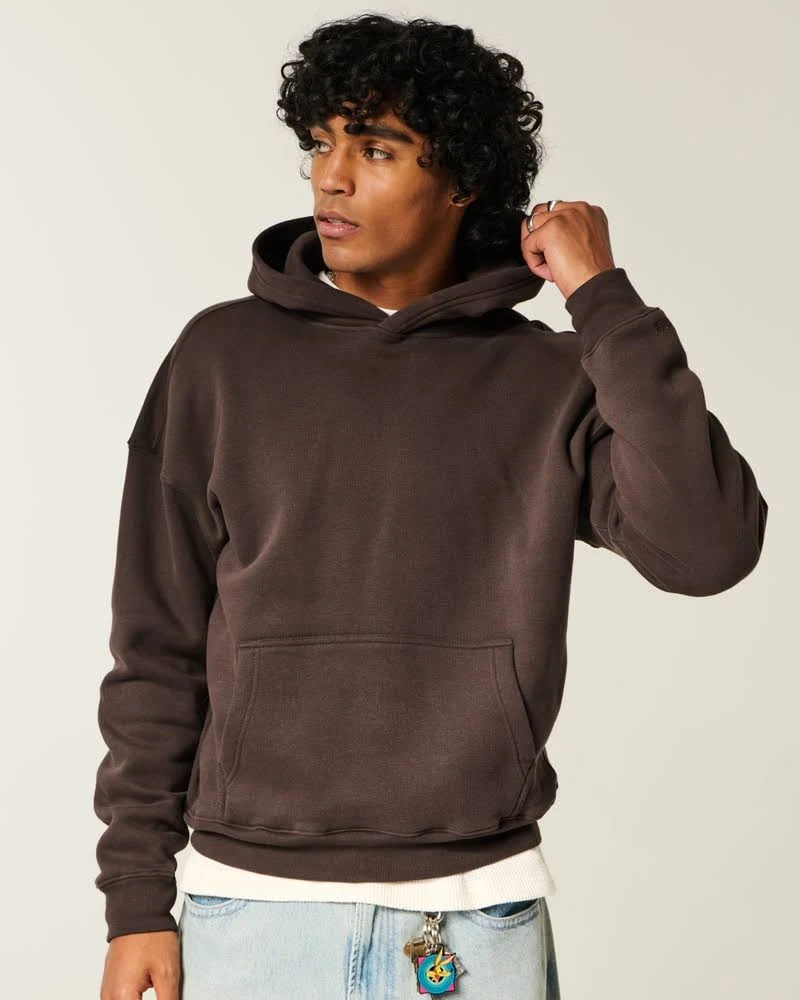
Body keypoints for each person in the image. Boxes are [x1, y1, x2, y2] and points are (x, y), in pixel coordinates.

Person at [94, 13, 768, 1000]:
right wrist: (136, 903)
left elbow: (707, 547)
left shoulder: (551, 379)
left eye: (375, 149)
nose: (330, 177)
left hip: (475, 916)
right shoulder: (219, 361)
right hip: (250, 914)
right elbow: (156, 646)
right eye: (320, 143)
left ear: (461, 180)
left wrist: (601, 297)